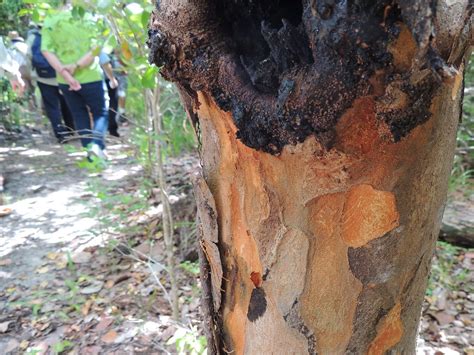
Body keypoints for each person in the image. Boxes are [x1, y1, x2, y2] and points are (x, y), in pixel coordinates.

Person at [41, 8, 109, 159]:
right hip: (91, 76)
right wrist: (76, 66)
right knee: (100, 113)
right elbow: (95, 49)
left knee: (79, 114)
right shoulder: (89, 16)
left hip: (64, 80)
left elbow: (46, 50)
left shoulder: (51, 19)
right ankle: (98, 146)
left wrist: (65, 73)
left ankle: (90, 153)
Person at [27, 26, 75, 143]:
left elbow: (28, 56)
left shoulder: (33, 37)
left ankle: (60, 134)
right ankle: (71, 129)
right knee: (66, 102)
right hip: (62, 75)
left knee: (51, 106)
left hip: (43, 78)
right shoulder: (61, 32)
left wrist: (32, 75)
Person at [99, 50, 119, 137]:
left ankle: (111, 128)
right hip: (101, 79)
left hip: (104, 79)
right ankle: (109, 129)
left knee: (112, 103)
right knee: (110, 104)